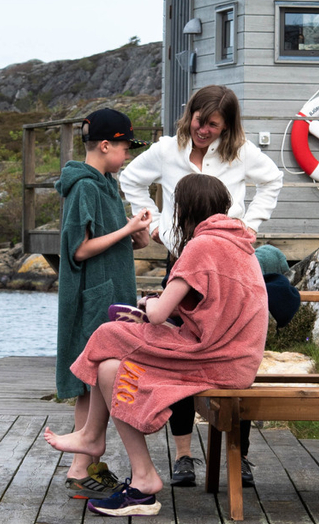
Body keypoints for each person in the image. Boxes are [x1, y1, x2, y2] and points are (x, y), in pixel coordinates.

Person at [45, 173, 269, 517]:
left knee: (107, 334)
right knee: (109, 369)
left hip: (212, 358)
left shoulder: (201, 246)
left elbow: (159, 313)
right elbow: (217, 306)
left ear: (184, 209)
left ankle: (91, 435)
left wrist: (149, 303)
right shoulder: (240, 245)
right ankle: (142, 478)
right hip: (236, 360)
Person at [119, 84, 284, 487]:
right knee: (175, 356)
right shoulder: (166, 150)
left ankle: (239, 457)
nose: (204, 130)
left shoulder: (241, 153)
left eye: (213, 125)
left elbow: (272, 181)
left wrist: (249, 225)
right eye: (199, 121)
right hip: (182, 261)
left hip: (229, 266)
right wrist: (156, 225)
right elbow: (130, 179)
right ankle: (183, 456)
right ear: (189, 114)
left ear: (227, 126)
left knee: (231, 352)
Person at [54, 108, 151, 500]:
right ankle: (80, 468)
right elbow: (77, 249)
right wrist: (126, 229)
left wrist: (136, 236)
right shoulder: (84, 187)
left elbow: (110, 238)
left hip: (112, 293)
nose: (128, 155)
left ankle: (86, 467)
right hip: (92, 295)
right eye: (126, 148)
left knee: (99, 377)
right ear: (106, 145)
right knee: (88, 378)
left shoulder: (108, 184)